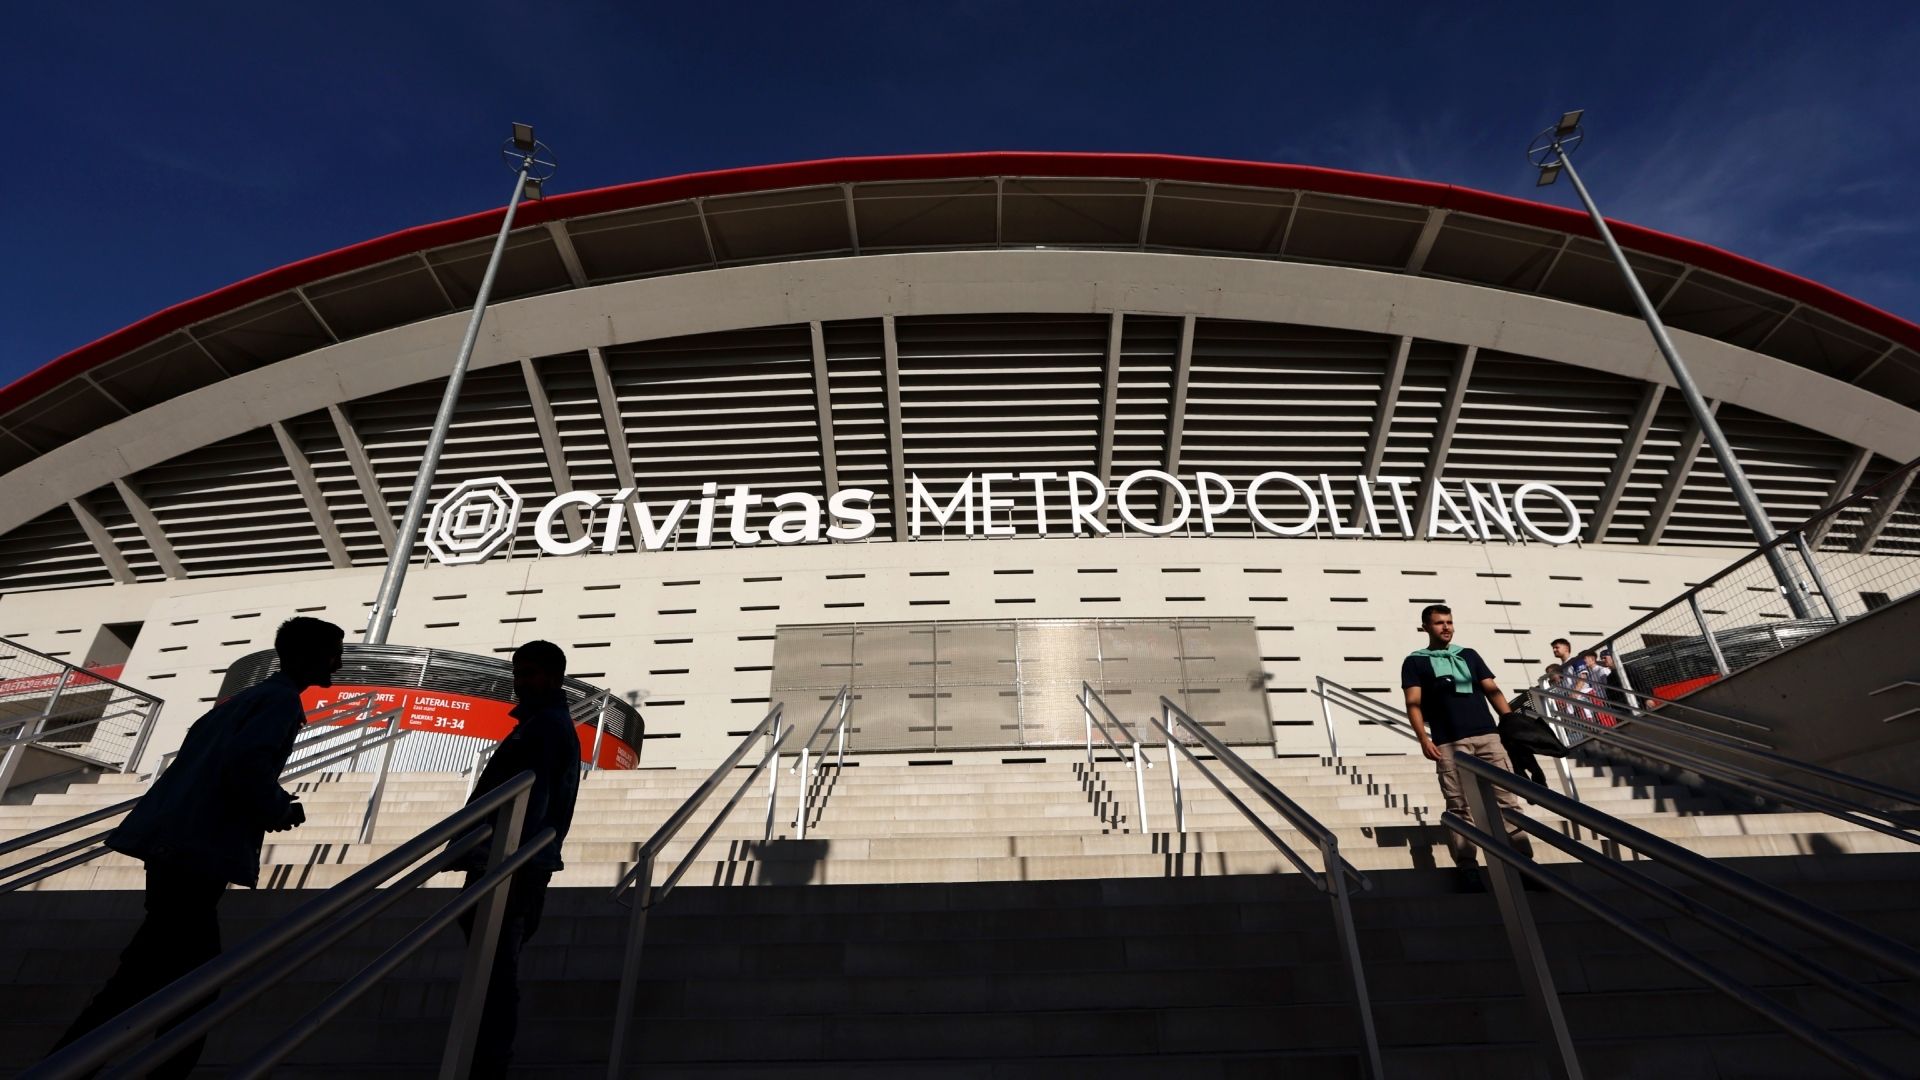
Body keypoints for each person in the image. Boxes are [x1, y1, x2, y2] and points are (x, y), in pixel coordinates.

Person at [52, 617, 343, 1078]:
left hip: (173, 841)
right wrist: (279, 808)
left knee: (155, 975)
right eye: (333, 653)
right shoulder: (281, 702)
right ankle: (71, 1066)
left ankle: (69, 1064)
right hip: (196, 850)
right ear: (311, 656)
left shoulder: (243, 700)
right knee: (187, 987)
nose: (339, 663)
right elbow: (245, 767)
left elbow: (219, 762)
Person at [456, 639, 580, 1080]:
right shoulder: (540, 723)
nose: (519, 681)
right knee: (493, 967)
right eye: (517, 672)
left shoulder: (544, 726)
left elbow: (535, 797)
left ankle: (487, 1062)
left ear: (554, 676)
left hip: (511, 864)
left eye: (529, 673)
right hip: (513, 861)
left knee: (495, 969)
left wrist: (491, 851)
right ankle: (484, 1057)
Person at [1401, 604, 1535, 891]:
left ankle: (1525, 864)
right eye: (1439, 623)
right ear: (1425, 627)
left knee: (1507, 803)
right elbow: (1412, 703)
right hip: (1448, 742)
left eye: (1449, 621)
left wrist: (1509, 721)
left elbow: (1492, 690)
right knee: (1459, 807)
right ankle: (1468, 867)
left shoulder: (1469, 655)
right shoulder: (1415, 662)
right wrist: (1423, 738)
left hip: (1488, 736)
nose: (1446, 627)